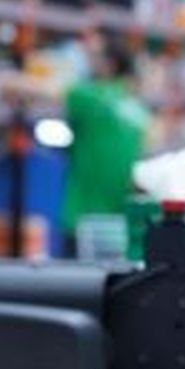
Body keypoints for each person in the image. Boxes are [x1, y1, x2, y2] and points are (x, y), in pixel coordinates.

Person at [60, 31, 151, 253]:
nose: (88, 60)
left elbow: (51, 91)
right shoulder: (136, 108)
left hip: (84, 219)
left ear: (109, 64)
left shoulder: (91, 98)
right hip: (120, 221)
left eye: (94, 56)